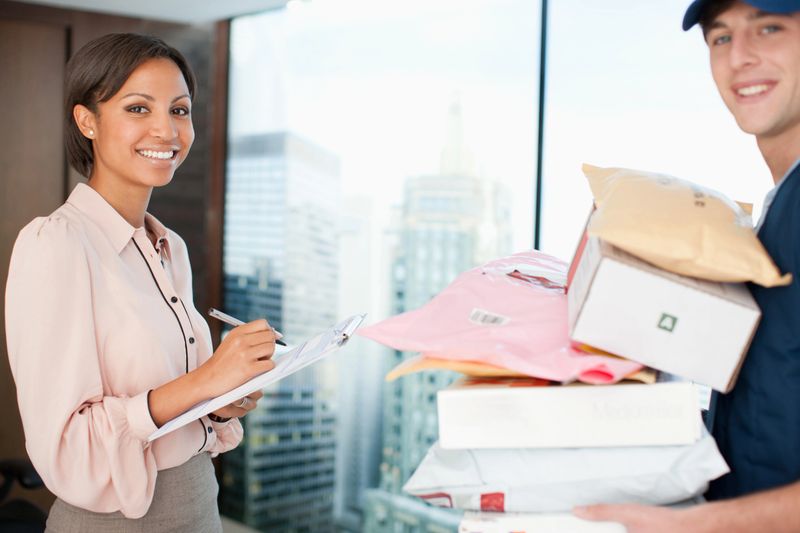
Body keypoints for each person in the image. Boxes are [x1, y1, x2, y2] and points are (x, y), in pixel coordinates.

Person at [4, 33, 279, 532]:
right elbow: (68, 445)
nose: (166, 130)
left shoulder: (169, 247)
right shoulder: (56, 245)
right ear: (87, 121)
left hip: (198, 503)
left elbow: (167, 400)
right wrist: (207, 379)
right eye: (137, 108)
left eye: (179, 110)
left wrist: (217, 403)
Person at [573, 0, 800, 531]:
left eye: (769, 28)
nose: (739, 56)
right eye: (720, 38)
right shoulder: (779, 206)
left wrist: (698, 526)